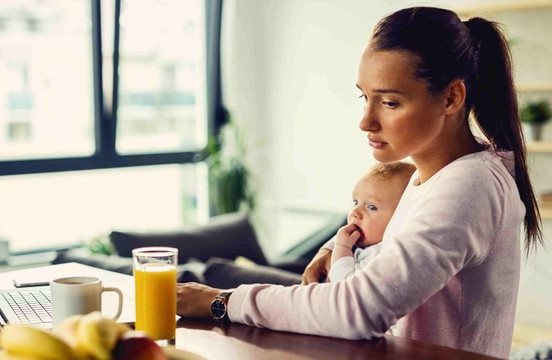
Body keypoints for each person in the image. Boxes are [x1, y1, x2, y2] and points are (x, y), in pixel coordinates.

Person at [177, 6, 543, 358]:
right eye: (364, 97)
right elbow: (405, 249)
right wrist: (332, 249)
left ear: (451, 97)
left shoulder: (470, 185)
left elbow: (361, 308)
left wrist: (223, 301)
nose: (366, 121)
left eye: (389, 103)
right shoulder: (434, 175)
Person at [328, 162, 415, 283]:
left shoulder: (380, 254)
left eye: (371, 207)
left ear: (400, 218)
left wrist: (342, 247)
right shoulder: (368, 244)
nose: (355, 212)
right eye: (355, 202)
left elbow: (346, 284)